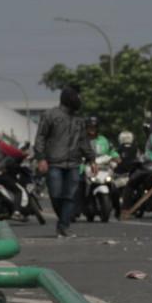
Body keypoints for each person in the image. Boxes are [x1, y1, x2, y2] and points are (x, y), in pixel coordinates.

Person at [34, 85, 94, 238]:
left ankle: (64, 226)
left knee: (70, 196)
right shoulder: (50, 115)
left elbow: (83, 141)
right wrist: (41, 158)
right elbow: (40, 137)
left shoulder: (79, 121)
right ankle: (64, 221)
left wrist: (91, 159)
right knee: (56, 195)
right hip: (54, 163)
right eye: (77, 96)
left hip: (74, 164)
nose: (80, 100)